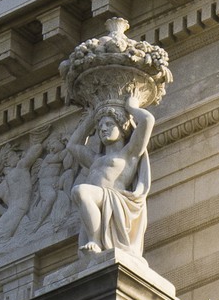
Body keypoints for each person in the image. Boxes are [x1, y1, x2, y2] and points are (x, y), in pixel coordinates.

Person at [66, 101, 155, 256]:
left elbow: (148, 120)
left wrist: (131, 107)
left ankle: (95, 241)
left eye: (109, 124)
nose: (103, 129)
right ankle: (94, 240)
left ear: (122, 128)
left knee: (80, 191)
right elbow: (72, 145)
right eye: (100, 127)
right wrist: (92, 117)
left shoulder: (128, 154)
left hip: (112, 199)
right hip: (95, 204)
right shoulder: (95, 159)